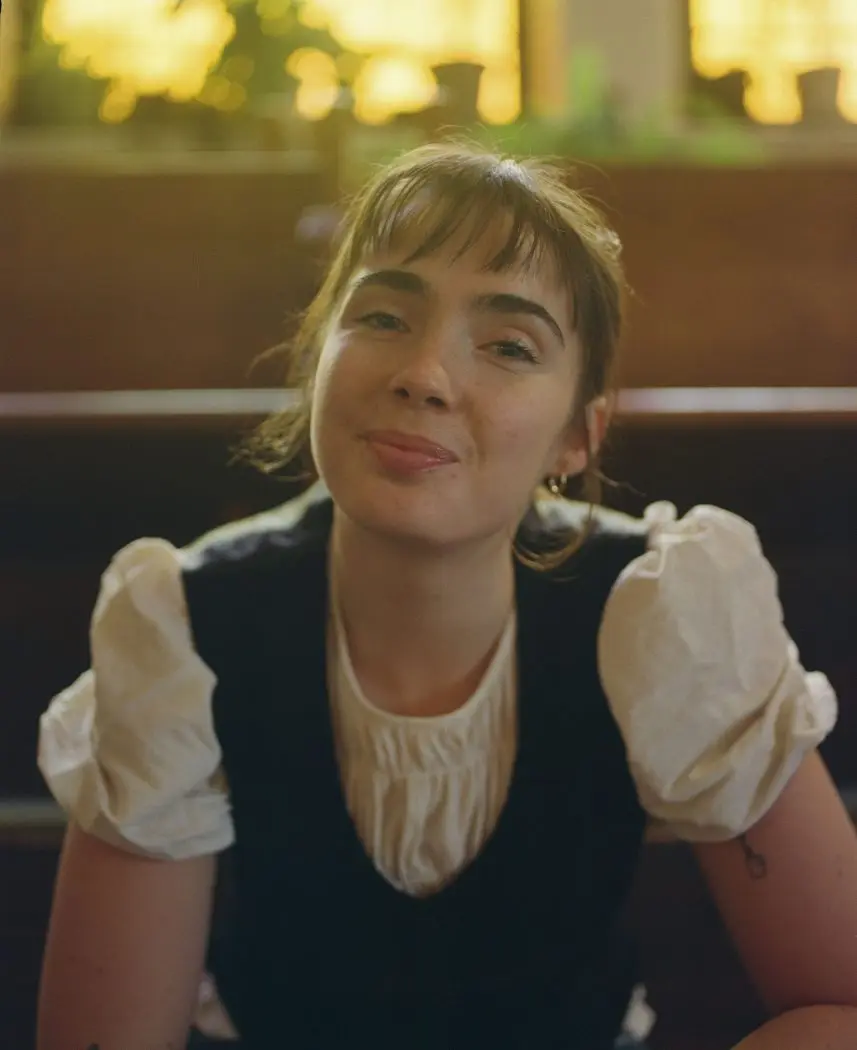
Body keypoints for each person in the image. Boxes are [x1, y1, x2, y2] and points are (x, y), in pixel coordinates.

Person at [35, 143, 857, 1050]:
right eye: (383, 316)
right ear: (319, 361)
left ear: (576, 437)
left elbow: (839, 1007)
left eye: (508, 345)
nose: (423, 374)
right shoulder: (191, 623)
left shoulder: (660, 616)